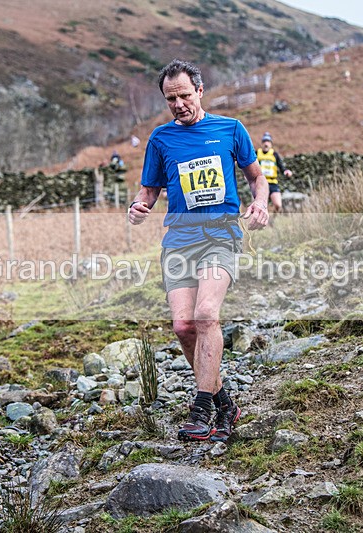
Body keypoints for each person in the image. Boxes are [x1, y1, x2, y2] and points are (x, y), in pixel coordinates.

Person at [128, 59, 269, 442]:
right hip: (179, 240)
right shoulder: (160, 140)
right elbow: (149, 191)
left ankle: (202, 406)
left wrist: (260, 203)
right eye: (170, 98)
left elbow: (257, 177)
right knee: (183, 326)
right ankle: (225, 402)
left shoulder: (230, 129)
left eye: (185, 95)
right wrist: (138, 208)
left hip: (221, 235)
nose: (178, 104)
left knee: (206, 314)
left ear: (200, 91)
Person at [256, 132, 293, 213]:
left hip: (273, 182)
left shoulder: (274, 154)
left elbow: (281, 166)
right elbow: (250, 166)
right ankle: (264, 220)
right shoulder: (256, 153)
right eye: (264, 141)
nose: (266, 143)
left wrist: (286, 171)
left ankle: (273, 218)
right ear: (262, 143)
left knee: (278, 205)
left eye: (268, 142)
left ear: (271, 144)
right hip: (261, 183)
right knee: (261, 205)